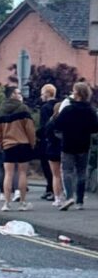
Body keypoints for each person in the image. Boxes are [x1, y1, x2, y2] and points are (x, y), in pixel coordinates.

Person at [53, 82, 98, 211]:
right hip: (84, 144)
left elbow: (57, 125)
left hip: (68, 143)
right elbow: (95, 128)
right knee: (81, 172)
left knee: (67, 171)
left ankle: (69, 197)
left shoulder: (68, 109)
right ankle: (80, 201)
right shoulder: (90, 110)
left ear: (76, 93)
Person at [0, 86, 36, 212]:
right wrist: (32, 143)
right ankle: (22, 202)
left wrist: (0, 143)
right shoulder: (23, 109)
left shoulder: (0, 111)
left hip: (8, 145)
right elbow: (30, 129)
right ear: (12, 95)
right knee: (22, 173)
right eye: (18, 93)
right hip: (23, 143)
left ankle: (6, 203)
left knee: (8, 173)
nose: (19, 95)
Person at [37, 84, 60, 202]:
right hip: (60, 139)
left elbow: (44, 126)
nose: (41, 96)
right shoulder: (60, 106)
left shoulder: (45, 108)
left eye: (42, 93)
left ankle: (51, 189)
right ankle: (55, 189)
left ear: (47, 93)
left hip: (47, 141)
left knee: (48, 167)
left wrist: (37, 134)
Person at [43, 99, 67, 207]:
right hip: (64, 149)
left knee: (55, 175)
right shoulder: (65, 121)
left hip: (52, 150)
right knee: (65, 173)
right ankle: (66, 195)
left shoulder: (50, 122)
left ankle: (57, 198)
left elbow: (46, 135)